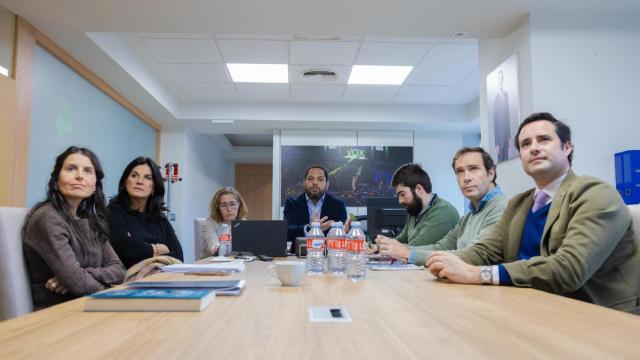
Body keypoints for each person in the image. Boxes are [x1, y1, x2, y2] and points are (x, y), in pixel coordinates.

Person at [426, 112, 640, 314]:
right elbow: (485, 252)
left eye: (544, 139)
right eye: (526, 144)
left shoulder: (595, 193)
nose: (534, 148)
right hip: (528, 307)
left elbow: (569, 269)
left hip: (594, 316)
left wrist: (478, 273)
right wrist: (440, 262)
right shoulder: (519, 204)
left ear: (567, 147)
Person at [22, 146, 125, 310]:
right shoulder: (47, 218)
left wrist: (85, 274)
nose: (79, 176)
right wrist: (108, 291)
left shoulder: (90, 220)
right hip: (59, 312)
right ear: (55, 182)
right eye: (71, 169)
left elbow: (119, 270)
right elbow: (77, 283)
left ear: (94, 187)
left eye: (87, 171)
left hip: (90, 305)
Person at [378, 148, 507, 265]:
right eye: (460, 171)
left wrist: (409, 254)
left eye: (474, 169)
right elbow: (441, 247)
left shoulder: (501, 208)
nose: (466, 178)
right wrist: (394, 249)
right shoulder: (469, 216)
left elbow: (476, 255)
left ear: (490, 173)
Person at [108, 157, 183, 269]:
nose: (139, 181)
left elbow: (178, 256)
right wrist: (157, 249)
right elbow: (123, 248)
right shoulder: (114, 211)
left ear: (154, 187)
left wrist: (139, 250)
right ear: (125, 182)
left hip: (160, 277)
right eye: (134, 176)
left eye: (147, 178)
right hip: (128, 280)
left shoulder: (160, 219)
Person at [374, 163, 460, 249]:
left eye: (402, 194)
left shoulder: (443, 212)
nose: (400, 201)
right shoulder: (415, 209)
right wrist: (380, 244)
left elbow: (417, 247)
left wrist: (384, 247)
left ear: (419, 189)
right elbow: (402, 239)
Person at [283, 165, 347, 250]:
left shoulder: (338, 205)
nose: (315, 182)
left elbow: (340, 235)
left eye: (320, 179)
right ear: (304, 182)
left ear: (327, 184)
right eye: (310, 179)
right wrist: (310, 228)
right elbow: (287, 231)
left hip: (328, 256)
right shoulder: (292, 203)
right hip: (298, 255)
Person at [199, 186, 249, 259]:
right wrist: (216, 246)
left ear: (239, 205)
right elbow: (211, 240)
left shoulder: (244, 223)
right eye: (224, 205)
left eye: (232, 204)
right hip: (211, 264)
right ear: (218, 208)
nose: (229, 209)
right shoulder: (210, 222)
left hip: (237, 264)